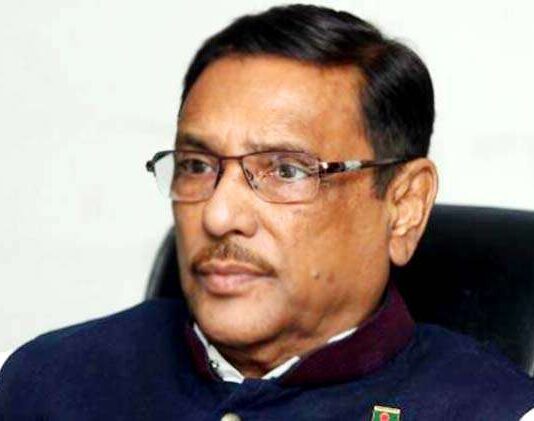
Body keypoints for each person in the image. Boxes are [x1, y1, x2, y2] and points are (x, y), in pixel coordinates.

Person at [1, 4, 533, 420]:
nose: (218, 215)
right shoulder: (49, 384)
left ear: (404, 206)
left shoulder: (492, 410)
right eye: (196, 165)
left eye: (286, 169)